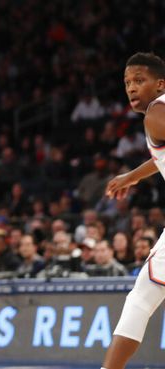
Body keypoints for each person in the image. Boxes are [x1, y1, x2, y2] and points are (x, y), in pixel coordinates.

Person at [101, 52, 165, 369]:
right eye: (127, 82)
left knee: (140, 298)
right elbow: (162, 157)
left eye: (139, 80)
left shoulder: (156, 112)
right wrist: (132, 176)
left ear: (159, 84)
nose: (131, 88)